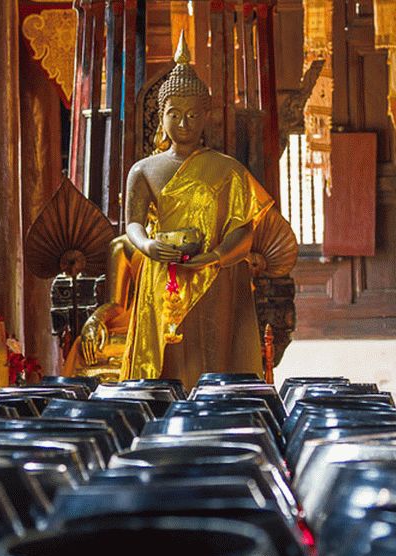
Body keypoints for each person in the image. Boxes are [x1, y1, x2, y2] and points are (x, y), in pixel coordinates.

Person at [69, 32, 272, 389]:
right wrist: (146, 246)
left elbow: (245, 231)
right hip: (162, 275)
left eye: (193, 115)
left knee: (214, 362)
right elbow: (132, 222)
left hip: (214, 278)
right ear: (160, 115)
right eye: (174, 114)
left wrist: (215, 256)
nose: (184, 124)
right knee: (164, 365)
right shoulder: (143, 170)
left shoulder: (228, 170)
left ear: (206, 116)